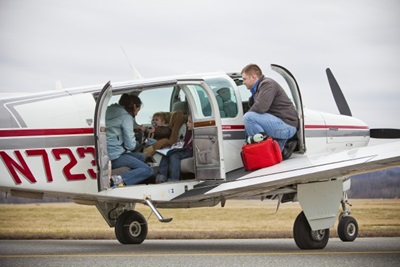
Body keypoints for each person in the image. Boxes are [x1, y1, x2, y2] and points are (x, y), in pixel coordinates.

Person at [241, 64, 298, 159]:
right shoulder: (257, 90)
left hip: (287, 125)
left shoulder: (267, 84)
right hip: (279, 125)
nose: (243, 82)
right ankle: (282, 147)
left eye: (244, 79)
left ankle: (262, 150)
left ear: (253, 77)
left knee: (249, 117)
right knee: (273, 158)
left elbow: (260, 108)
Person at [106, 93, 153, 186]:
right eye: (137, 110)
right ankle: (116, 180)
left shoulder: (108, 110)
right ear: (134, 106)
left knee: (142, 156)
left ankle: (133, 177)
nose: (136, 113)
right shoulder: (126, 117)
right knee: (148, 170)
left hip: (107, 154)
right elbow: (130, 146)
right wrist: (142, 142)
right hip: (115, 157)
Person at [155, 115, 193, 183]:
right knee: (167, 154)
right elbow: (184, 143)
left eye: (189, 122)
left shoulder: (196, 133)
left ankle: (174, 179)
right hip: (185, 149)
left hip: (190, 151)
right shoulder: (189, 133)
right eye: (187, 121)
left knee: (174, 155)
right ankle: (161, 177)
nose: (187, 123)